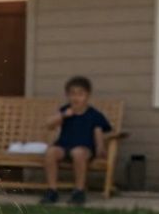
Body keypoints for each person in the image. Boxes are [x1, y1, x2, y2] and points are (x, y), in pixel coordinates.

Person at [41, 75, 111, 206]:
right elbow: (49, 124)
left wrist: (100, 147)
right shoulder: (65, 111)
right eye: (72, 94)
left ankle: (79, 191)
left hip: (85, 148)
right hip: (64, 146)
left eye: (80, 94)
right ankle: (52, 190)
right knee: (50, 152)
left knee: (78, 153)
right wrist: (63, 115)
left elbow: (98, 132)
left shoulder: (94, 115)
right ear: (67, 96)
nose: (76, 97)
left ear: (87, 96)